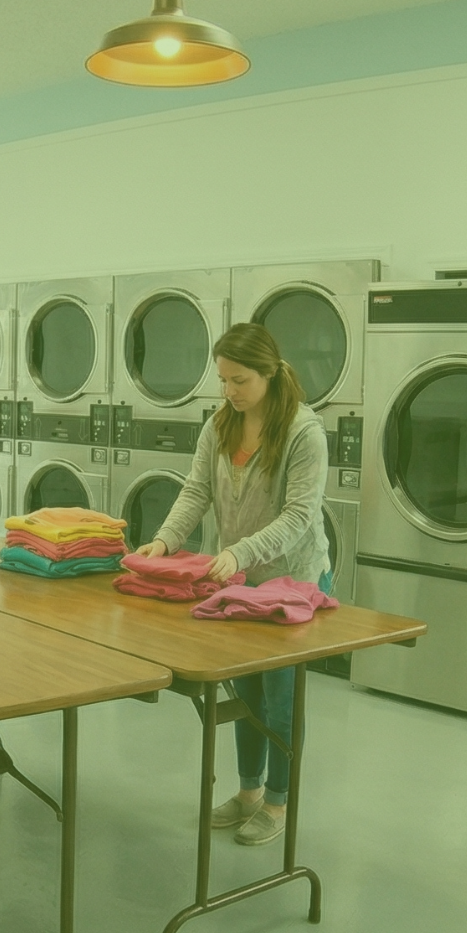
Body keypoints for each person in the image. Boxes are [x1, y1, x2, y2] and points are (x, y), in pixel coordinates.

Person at [134, 323, 330, 847]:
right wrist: (164, 542)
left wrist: (240, 550)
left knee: (282, 698)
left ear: (269, 372)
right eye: (223, 380)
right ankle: (247, 792)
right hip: (239, 581)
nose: (230, 392)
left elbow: (299, 515)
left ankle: (279, 802)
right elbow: (195, 490)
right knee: (246, 691)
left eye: (240, 380)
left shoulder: (304, 432)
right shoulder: (220, 424)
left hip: (293, 581)